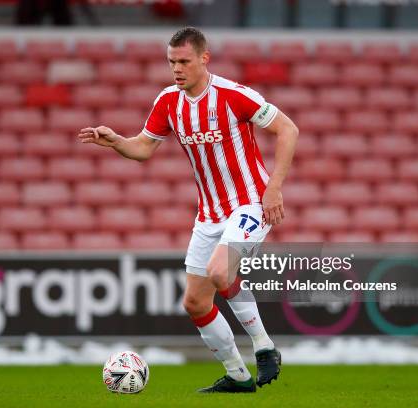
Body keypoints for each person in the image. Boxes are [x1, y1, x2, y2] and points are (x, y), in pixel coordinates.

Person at [78, 27, 299, 393]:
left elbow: (288, 129)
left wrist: (274, 189)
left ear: (203, 58)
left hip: (250, 202)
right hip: (209, 213)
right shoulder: (168, 101)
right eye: (171, 62)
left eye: (183, 61)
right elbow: (144, 148)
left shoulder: (232, 96)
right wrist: (116, 141)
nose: (176, 69)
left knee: (218, 271)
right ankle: (238, 376)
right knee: (195, 302)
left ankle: (264, 346)